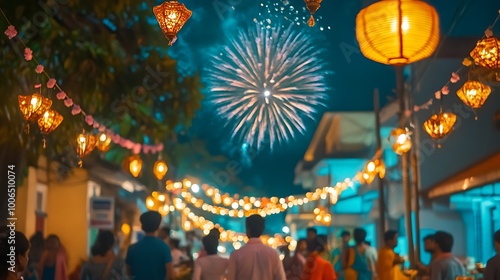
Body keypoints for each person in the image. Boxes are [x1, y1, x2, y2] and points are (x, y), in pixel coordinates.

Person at [226, 214, 286, 280]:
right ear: (262, 229)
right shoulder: (273, 254)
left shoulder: (236, 255)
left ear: (247, 229)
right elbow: (281, 278)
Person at [126, 211, 174, 280]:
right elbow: (170, 276)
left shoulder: (132, 248)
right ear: (158, 227)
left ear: (142, 227)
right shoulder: (164, 248)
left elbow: (128, 273)